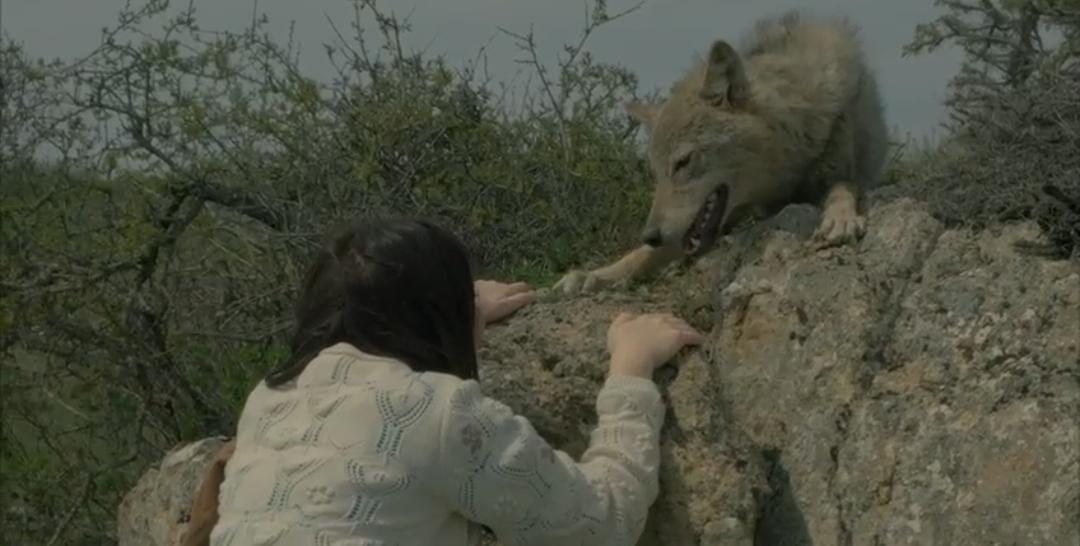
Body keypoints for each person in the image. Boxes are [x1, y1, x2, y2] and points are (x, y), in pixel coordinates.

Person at [184, 216, 703, 546]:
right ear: (436, 314)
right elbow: (601, 523)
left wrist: (462, 310)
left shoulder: (269, 398)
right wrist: (631, 373)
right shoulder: (440, 412)